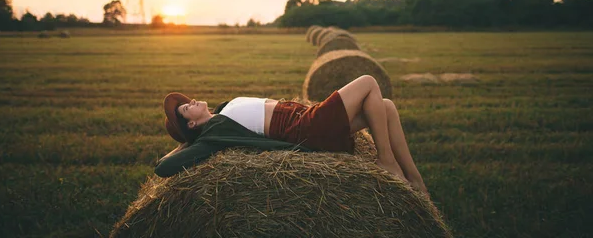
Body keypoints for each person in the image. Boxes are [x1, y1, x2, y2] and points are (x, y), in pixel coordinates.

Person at [155, 75, 428, 196]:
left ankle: (416, 182)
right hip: (305, 128)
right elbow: (164, 168)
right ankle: (386, 161)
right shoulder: (214, 134)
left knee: (387, 107)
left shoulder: (223, 109)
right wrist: (184, 143)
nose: (190, 101)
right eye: (185, 108)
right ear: (190, 126)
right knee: (369, 81)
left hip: (306, 115)